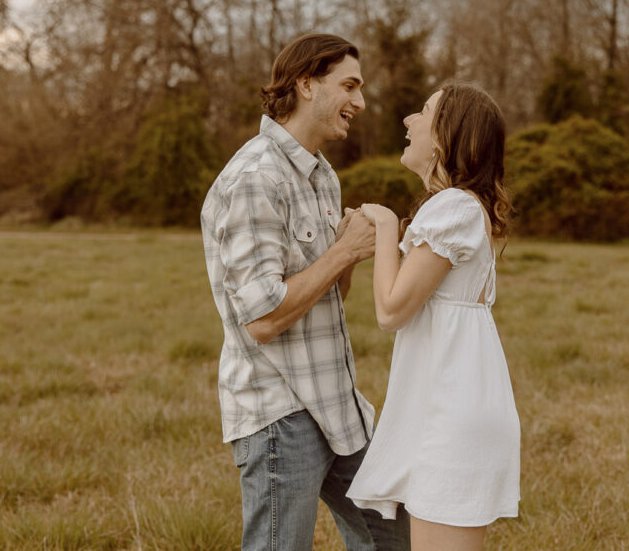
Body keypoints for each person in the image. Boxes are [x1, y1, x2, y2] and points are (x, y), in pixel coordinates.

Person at [200, 33, 410, 550]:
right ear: (307, 85)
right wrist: (342, 252)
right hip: (280, 414)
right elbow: (263, 321)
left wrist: (348, 251)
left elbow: (330, 297)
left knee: (395, 538)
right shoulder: (256, 177)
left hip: (339, 403)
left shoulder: (323, 176)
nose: (360, 102)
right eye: (350, 86)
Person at [346, 83, 521, 551]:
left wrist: (386, 226)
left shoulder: (454, 207)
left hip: (452, 416)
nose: (408, 121)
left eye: (423, 111)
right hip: (452, 409)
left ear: (445, 136)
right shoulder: (462, 208)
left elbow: (390, 309)